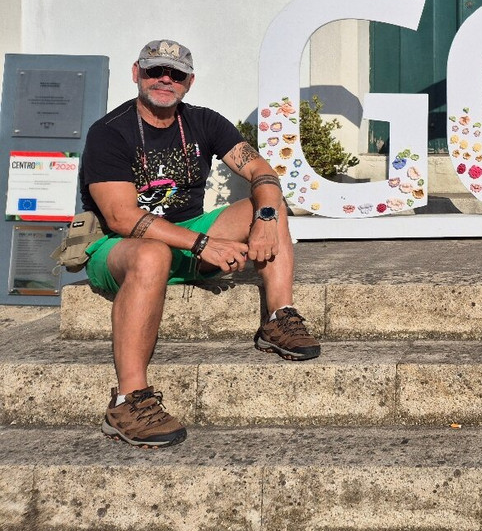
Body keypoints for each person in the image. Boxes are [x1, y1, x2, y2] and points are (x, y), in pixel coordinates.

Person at [79, 39, 320, 448]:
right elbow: (122, 217)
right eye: (155, 71)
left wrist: (264, 218)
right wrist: (201, 243)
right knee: (152, 253)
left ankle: (280, 317)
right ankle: (128, 401)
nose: (164, 80)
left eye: (175, 74)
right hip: (118, 248)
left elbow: (260, 169)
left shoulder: (203, 122)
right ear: (136, 73)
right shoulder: (109, 132)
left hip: (189, 237)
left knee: (267, 202)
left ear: (189, 82)